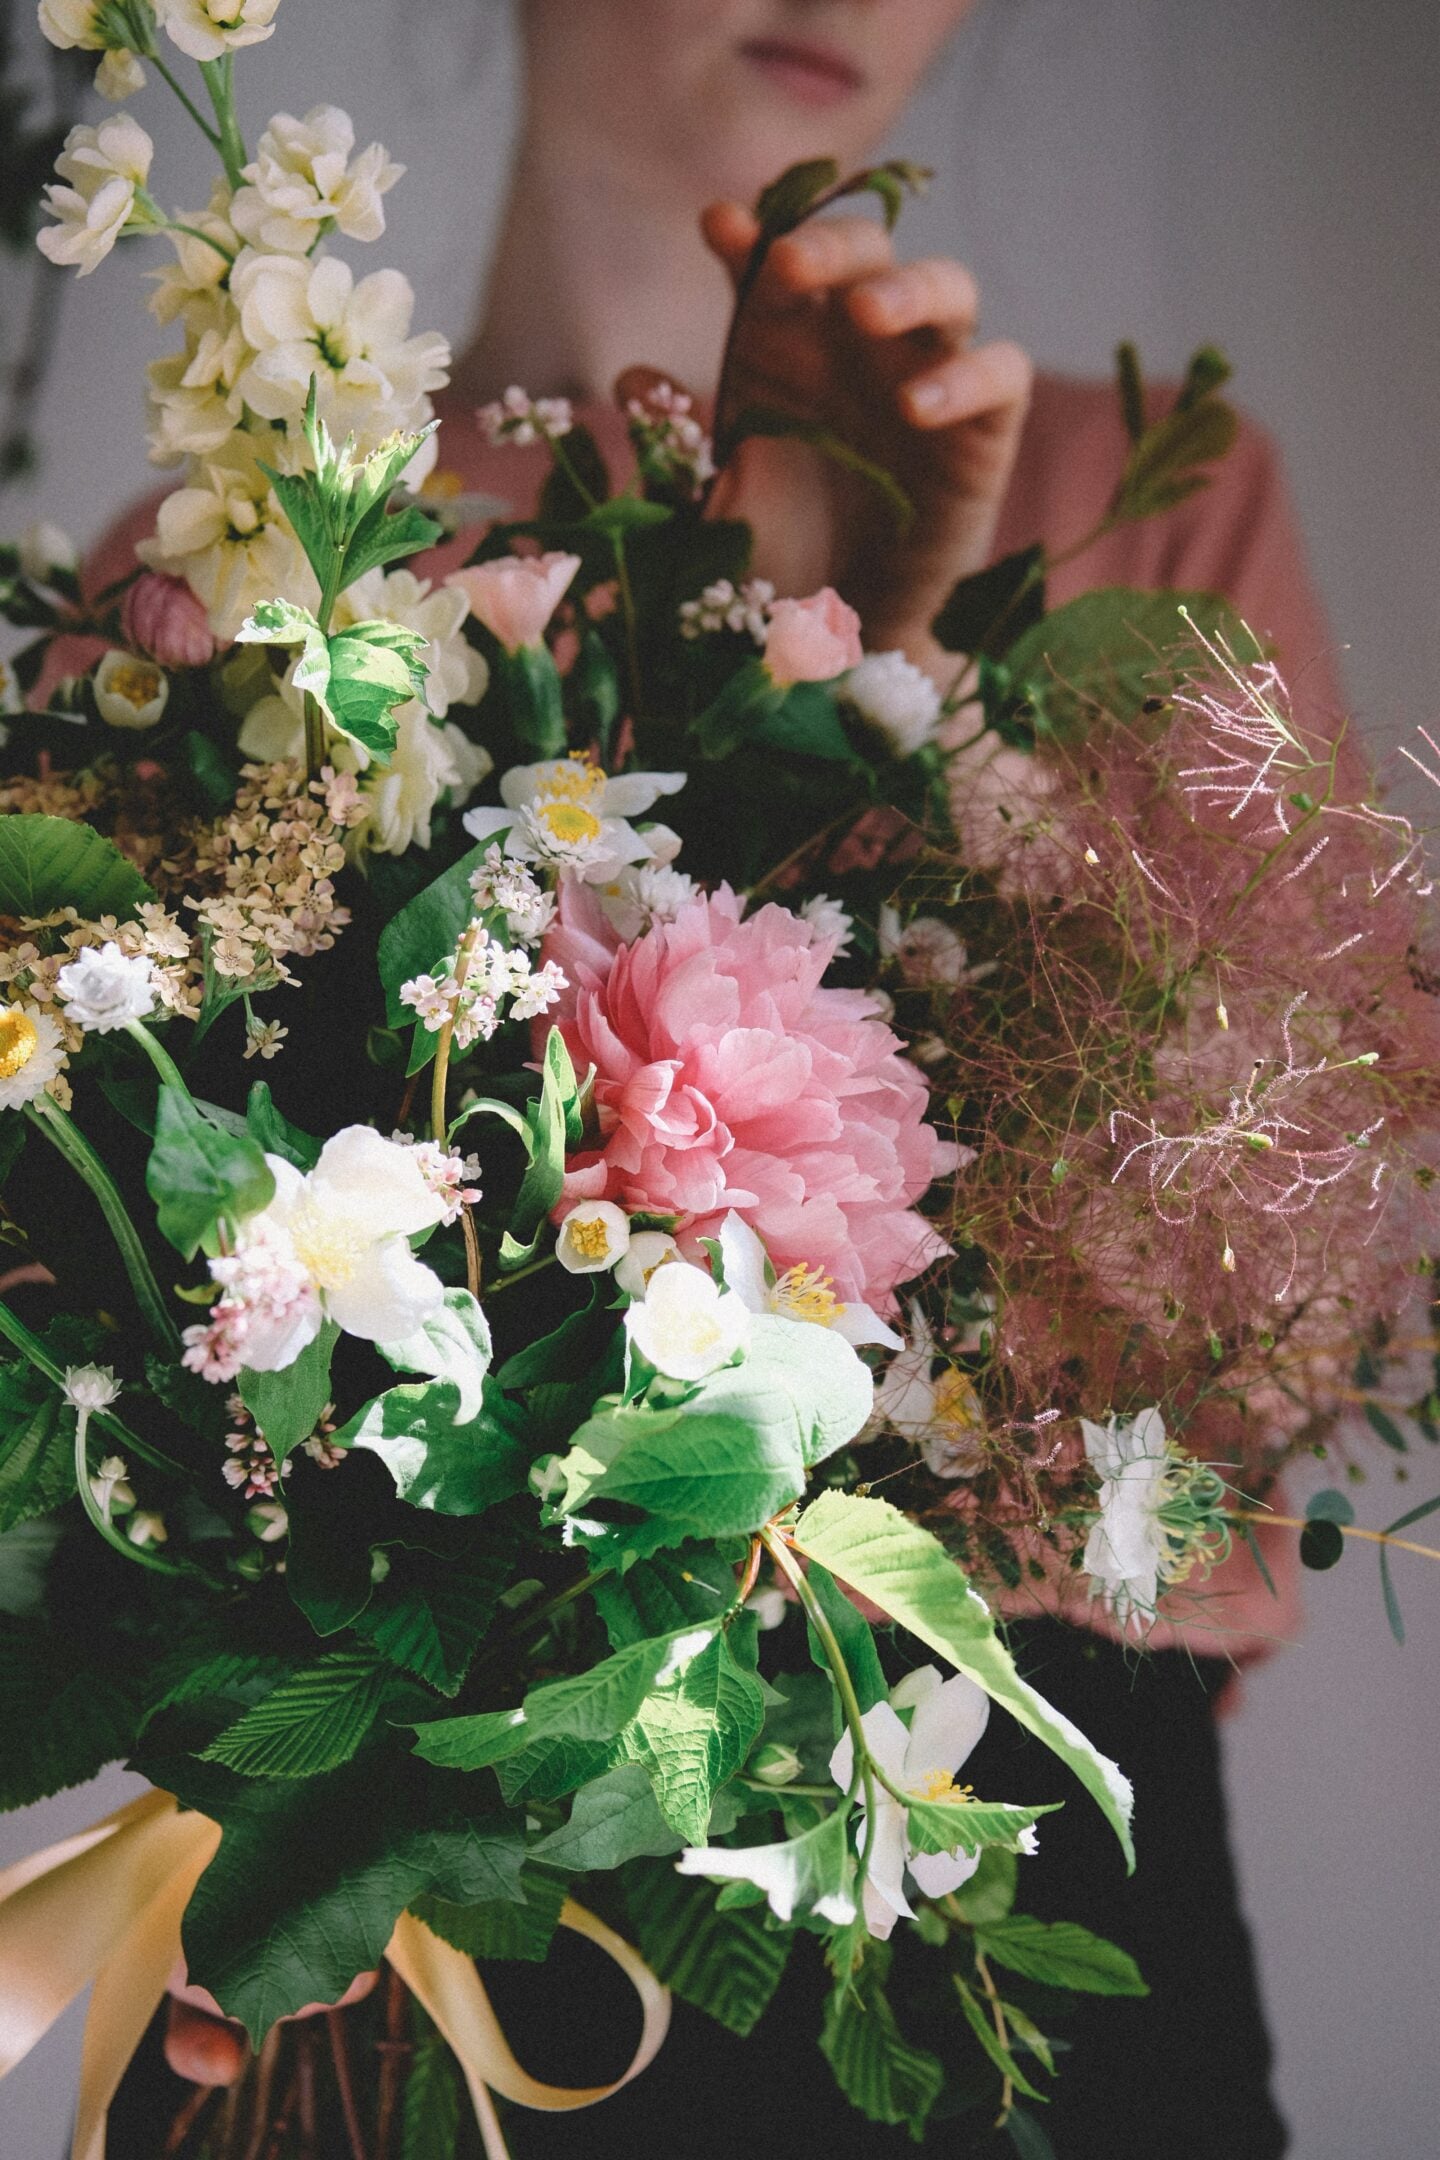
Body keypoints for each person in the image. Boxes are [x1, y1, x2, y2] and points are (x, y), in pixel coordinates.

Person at [110, 3, 1340, 2151]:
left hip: (987, 1856)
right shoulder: (209, 576)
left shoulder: (1142, 502)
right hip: (396, 1921)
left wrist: (884, 669)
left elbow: (1260, 1311)